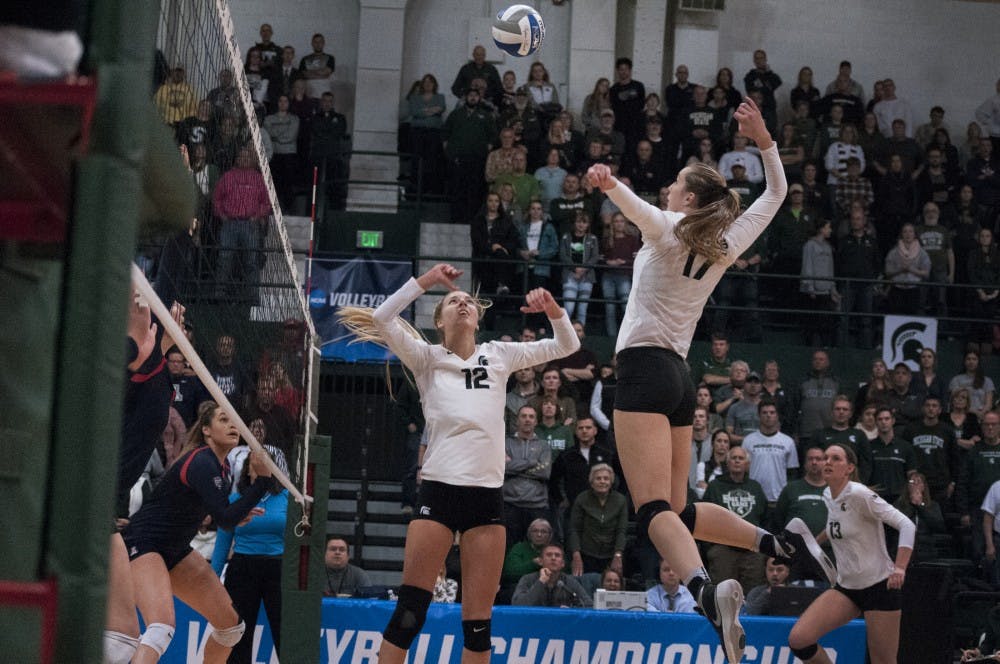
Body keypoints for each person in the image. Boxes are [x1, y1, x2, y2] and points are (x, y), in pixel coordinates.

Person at [587, 97, 834, 663]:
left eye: (676, 183)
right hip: (679, 375)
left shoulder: (671, 226)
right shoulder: (724, 241)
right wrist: (764, 139)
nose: (670, 189)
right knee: (682, 507)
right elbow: (775, 195)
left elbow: (638, 213)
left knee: (653, 511)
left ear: (689, 198)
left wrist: (608, 183)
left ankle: (704, 590)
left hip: (644, 369)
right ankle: (777, 542)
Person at [337, 263, 578, 664]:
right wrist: (427, 281)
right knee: (410, 613)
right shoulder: (426, 359)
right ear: (439, 319)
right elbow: (382, 318)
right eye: (453, 300)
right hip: (438, 491)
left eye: (468, 300)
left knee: (478, 627)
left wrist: (553, 309)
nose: (463, 303)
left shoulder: (499, 354)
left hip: (485, 498)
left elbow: (564, 345)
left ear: (477, 316)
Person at [122, 402, 274, 663]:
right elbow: (226, 519)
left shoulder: (223, 470)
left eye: (235, 421)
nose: (233, 425)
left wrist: (238, 515)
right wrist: (262, 482)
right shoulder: (201, 460)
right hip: (145, 542)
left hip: (175, 549)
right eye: (224, 420)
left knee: (230, 628)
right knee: (160, 628)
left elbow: (223, 514)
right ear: (206, 429)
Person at [786, 444, 915, 664]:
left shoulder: (860, 494)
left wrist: (900, 567)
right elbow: (838, 524)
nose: (828, 462)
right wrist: (812, 544)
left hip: (880, 586)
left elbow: (906, 525)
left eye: (835, 459)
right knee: (800, 639)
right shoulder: (828, 494)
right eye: (826, 457)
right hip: (846, 588)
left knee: (883, 661)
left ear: (849, 468)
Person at [210, 445, 289, 664]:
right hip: (243, 569)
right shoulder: (236, 499)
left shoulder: (286, 498)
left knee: (285, 633)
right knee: (239, 635)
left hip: (278, 569)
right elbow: (222, 543)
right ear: (247, 467)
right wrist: (212, 578)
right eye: (254, 459)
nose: (258, 462)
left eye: (264, 460)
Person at [503, 404, 552, 548]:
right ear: (517, 420)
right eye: (523, 416)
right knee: (508, 548)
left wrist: (514, 466)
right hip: (510, 505)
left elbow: (544, 472)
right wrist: (531, 462)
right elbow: (502, 468)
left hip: (537, 505)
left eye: (531, 417)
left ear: (536, 421)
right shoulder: (505, 443)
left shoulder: (544, 446)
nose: (527, 420)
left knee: (538, 549)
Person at [567, 464, 627, 576]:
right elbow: (574, 529)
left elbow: (621, 531)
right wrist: (576, 554)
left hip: (611, 553)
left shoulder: (620, 501)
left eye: (606, 478)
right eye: (598, 478)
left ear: (611, 482)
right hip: (586, 553)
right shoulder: (582, 499)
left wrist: (618, 555)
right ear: (591, 482)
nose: (602, 481)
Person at [511, 543, 591, 608]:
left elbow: (589, 605)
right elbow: (517, 605)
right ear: (540, 561)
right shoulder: (527, 579)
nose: (553, 558)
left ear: (562, 563)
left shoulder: (570, 582)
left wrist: (571, 611)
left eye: (557, 555)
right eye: (549, 555)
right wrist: (540, 582)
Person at [892, 472, 945, 565]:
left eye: (919, 482)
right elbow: (896, 523)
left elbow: (938, 525)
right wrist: (912, 504)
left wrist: (921, 505)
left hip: (926, 549)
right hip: (903, 549)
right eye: (912, 482)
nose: (916, 484)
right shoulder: (899, 504)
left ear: (924, 486)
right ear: (907, 486)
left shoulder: (933, 505)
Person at [869, 407, 917, 505]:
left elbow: (912, 474)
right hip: (875, 498)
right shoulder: (868, 446)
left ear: (893, 421)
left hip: (899, 499)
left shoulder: (905, 447)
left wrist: (912, 492)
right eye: (880, 419)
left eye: (887, 419)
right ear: (875, 422)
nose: (883, 422)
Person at [499, 518, 552, 602]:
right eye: (535, 531)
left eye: (544, 532)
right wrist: (533, 564)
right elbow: (509, 572)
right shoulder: (519, 548)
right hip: (522, 587)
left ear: (550, 535)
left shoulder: (555, 550)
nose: (539, 534)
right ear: (529, 534)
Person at [949, 350, 996, 420]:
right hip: (962, 416)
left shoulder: (987, 381)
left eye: (974, 359)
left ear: (978, 362)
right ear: (964, 362)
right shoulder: (956, 380)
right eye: (968, 359)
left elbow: (988, 404)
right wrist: (975, 413)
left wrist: (981, 414)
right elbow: (955, 401)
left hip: (982, 417)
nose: (971, 362)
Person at [298, 33, 335, 100]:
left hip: (324, 95)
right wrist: (320, 73)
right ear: (312, 43)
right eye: (315, 42)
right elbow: (304, 75)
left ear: (323, 43)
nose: (318, 44)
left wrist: (310, 72)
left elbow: (326, 72)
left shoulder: (330, 58)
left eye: (320, 42)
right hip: (309, 95)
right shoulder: (304, 59)